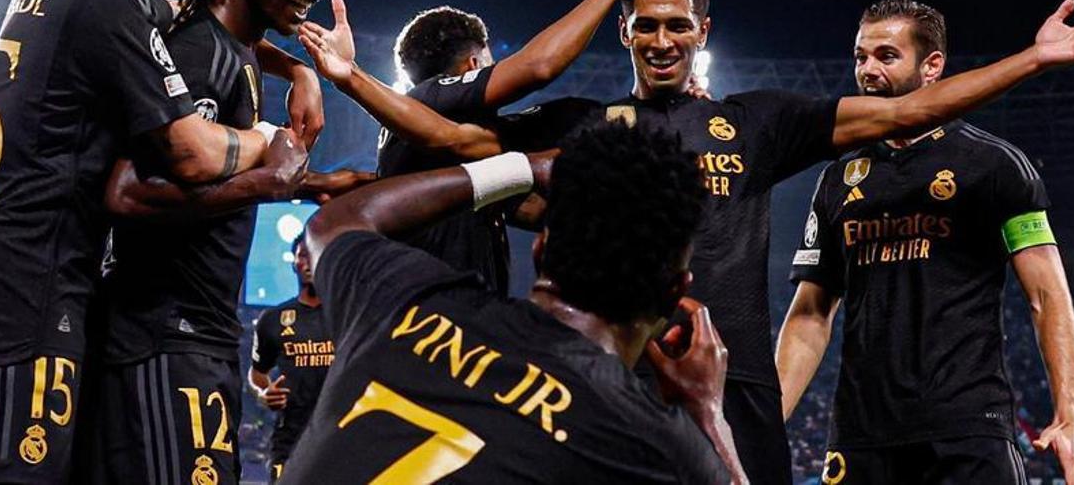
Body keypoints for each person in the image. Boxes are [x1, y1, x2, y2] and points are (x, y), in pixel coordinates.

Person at [298, 0, 1074, 484]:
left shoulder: (758, 121)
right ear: (625, 30)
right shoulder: (580, 120)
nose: (662, 39)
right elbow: (447, 138)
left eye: (678, 27)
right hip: (601, 379)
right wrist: (350, 81)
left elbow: (904, 110)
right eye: (647, 25)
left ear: (703, 35)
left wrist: (1030, 60)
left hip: (732, 386)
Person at [0, 0, 294, 481]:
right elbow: (190, 153)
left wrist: (296, 69)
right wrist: (270, 140)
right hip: (22, 311)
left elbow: (181, 17)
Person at [84, 0, 373, 485]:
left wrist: (302, 74)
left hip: (197, 336)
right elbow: (128, 193)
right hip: (160, 336)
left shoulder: (237, 47)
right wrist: (270, 184)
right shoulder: (192, 52)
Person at [282, 121, 747, 483]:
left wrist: (518, 168)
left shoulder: (407, 299)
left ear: (540, 247)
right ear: (675, 292)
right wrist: (706, 412)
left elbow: (335, 221)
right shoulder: (650, 442)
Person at [775, 0, 1074, 485]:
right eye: (860, 56)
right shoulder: (838, 180)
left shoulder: (994, 165)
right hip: (862, 436)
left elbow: (1048, 296)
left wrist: (1071, 413)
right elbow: (811, 314)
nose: (867, 70)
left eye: (886, 55)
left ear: (932, 66)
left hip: (967, 431)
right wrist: (766, 422)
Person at [312, 0, 671, 295]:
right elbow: (539, 66)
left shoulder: (434, 139)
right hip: (432, 317)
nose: (497, 67)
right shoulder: (431, 98)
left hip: (441, 314)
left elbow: (527, 208)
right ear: (472, 64)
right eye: (491, 60)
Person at [250, 233, 333, 480]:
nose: (308, 263)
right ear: (294, 264)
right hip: (291, 440)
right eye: (302, 256)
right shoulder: (273, 320)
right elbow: (257, 373)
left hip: (340, 435)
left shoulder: (347, 313)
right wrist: (263, 394)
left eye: (314, 255)